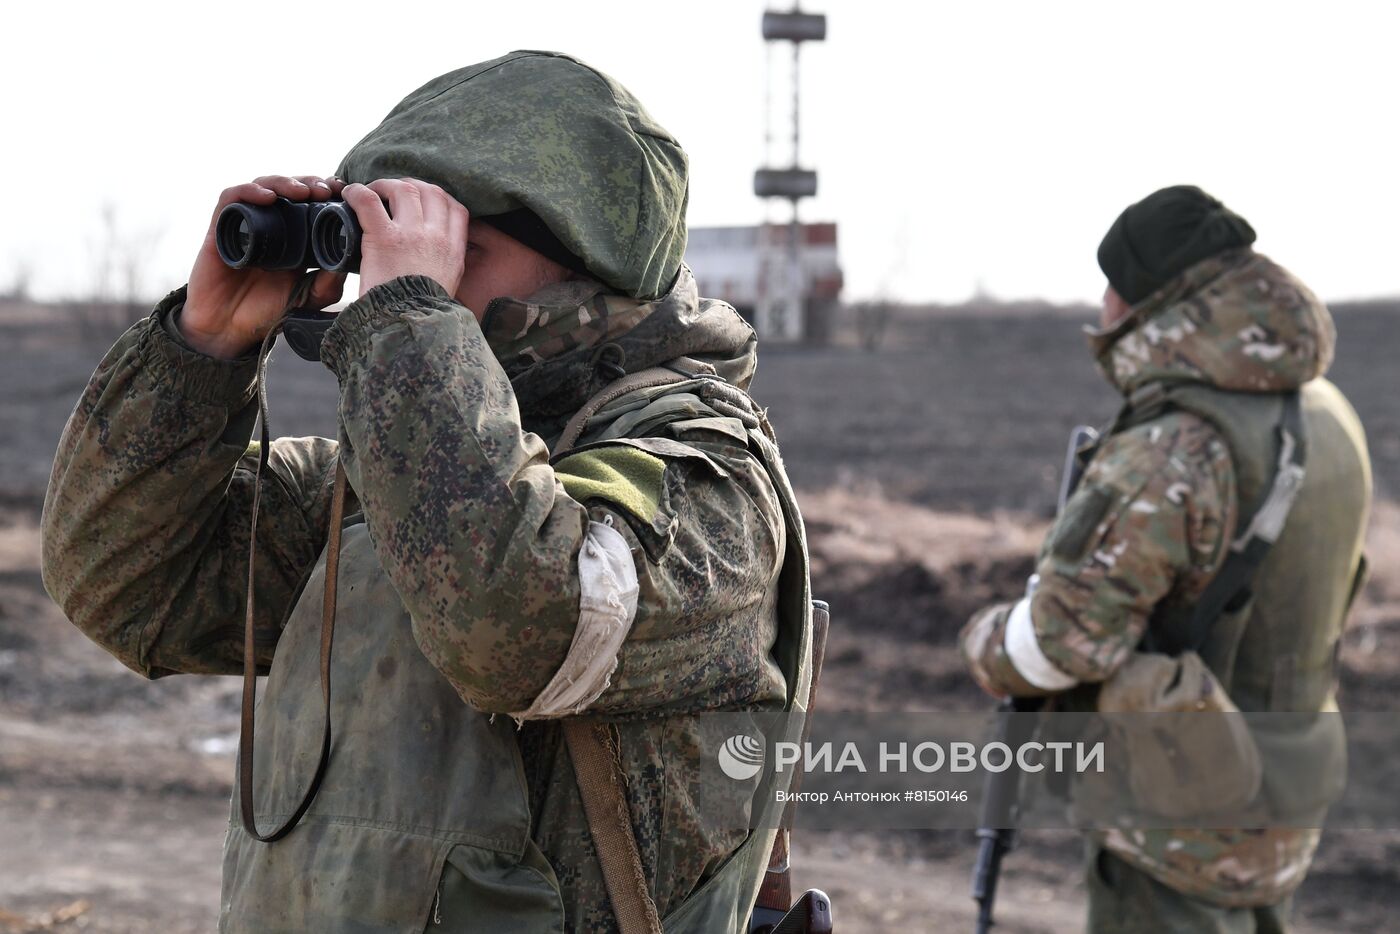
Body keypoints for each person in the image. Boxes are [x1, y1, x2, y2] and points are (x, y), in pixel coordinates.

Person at [41, 51, 811, 933]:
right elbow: (130, 586)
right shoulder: (387, 486)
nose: (387, 271)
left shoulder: (705, 479)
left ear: (581, 253)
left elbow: (518, 630)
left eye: (448, 242)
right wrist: (202, 348)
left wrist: (409, 320)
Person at [960, 185, 1371, 933]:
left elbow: (1061, 644)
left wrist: (989, 639)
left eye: (1111, 285)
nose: (1103, 306)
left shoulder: (1175, 443)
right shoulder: (1326, 413)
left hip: (1182, 818)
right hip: (1289, 788)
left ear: (1143, 298)